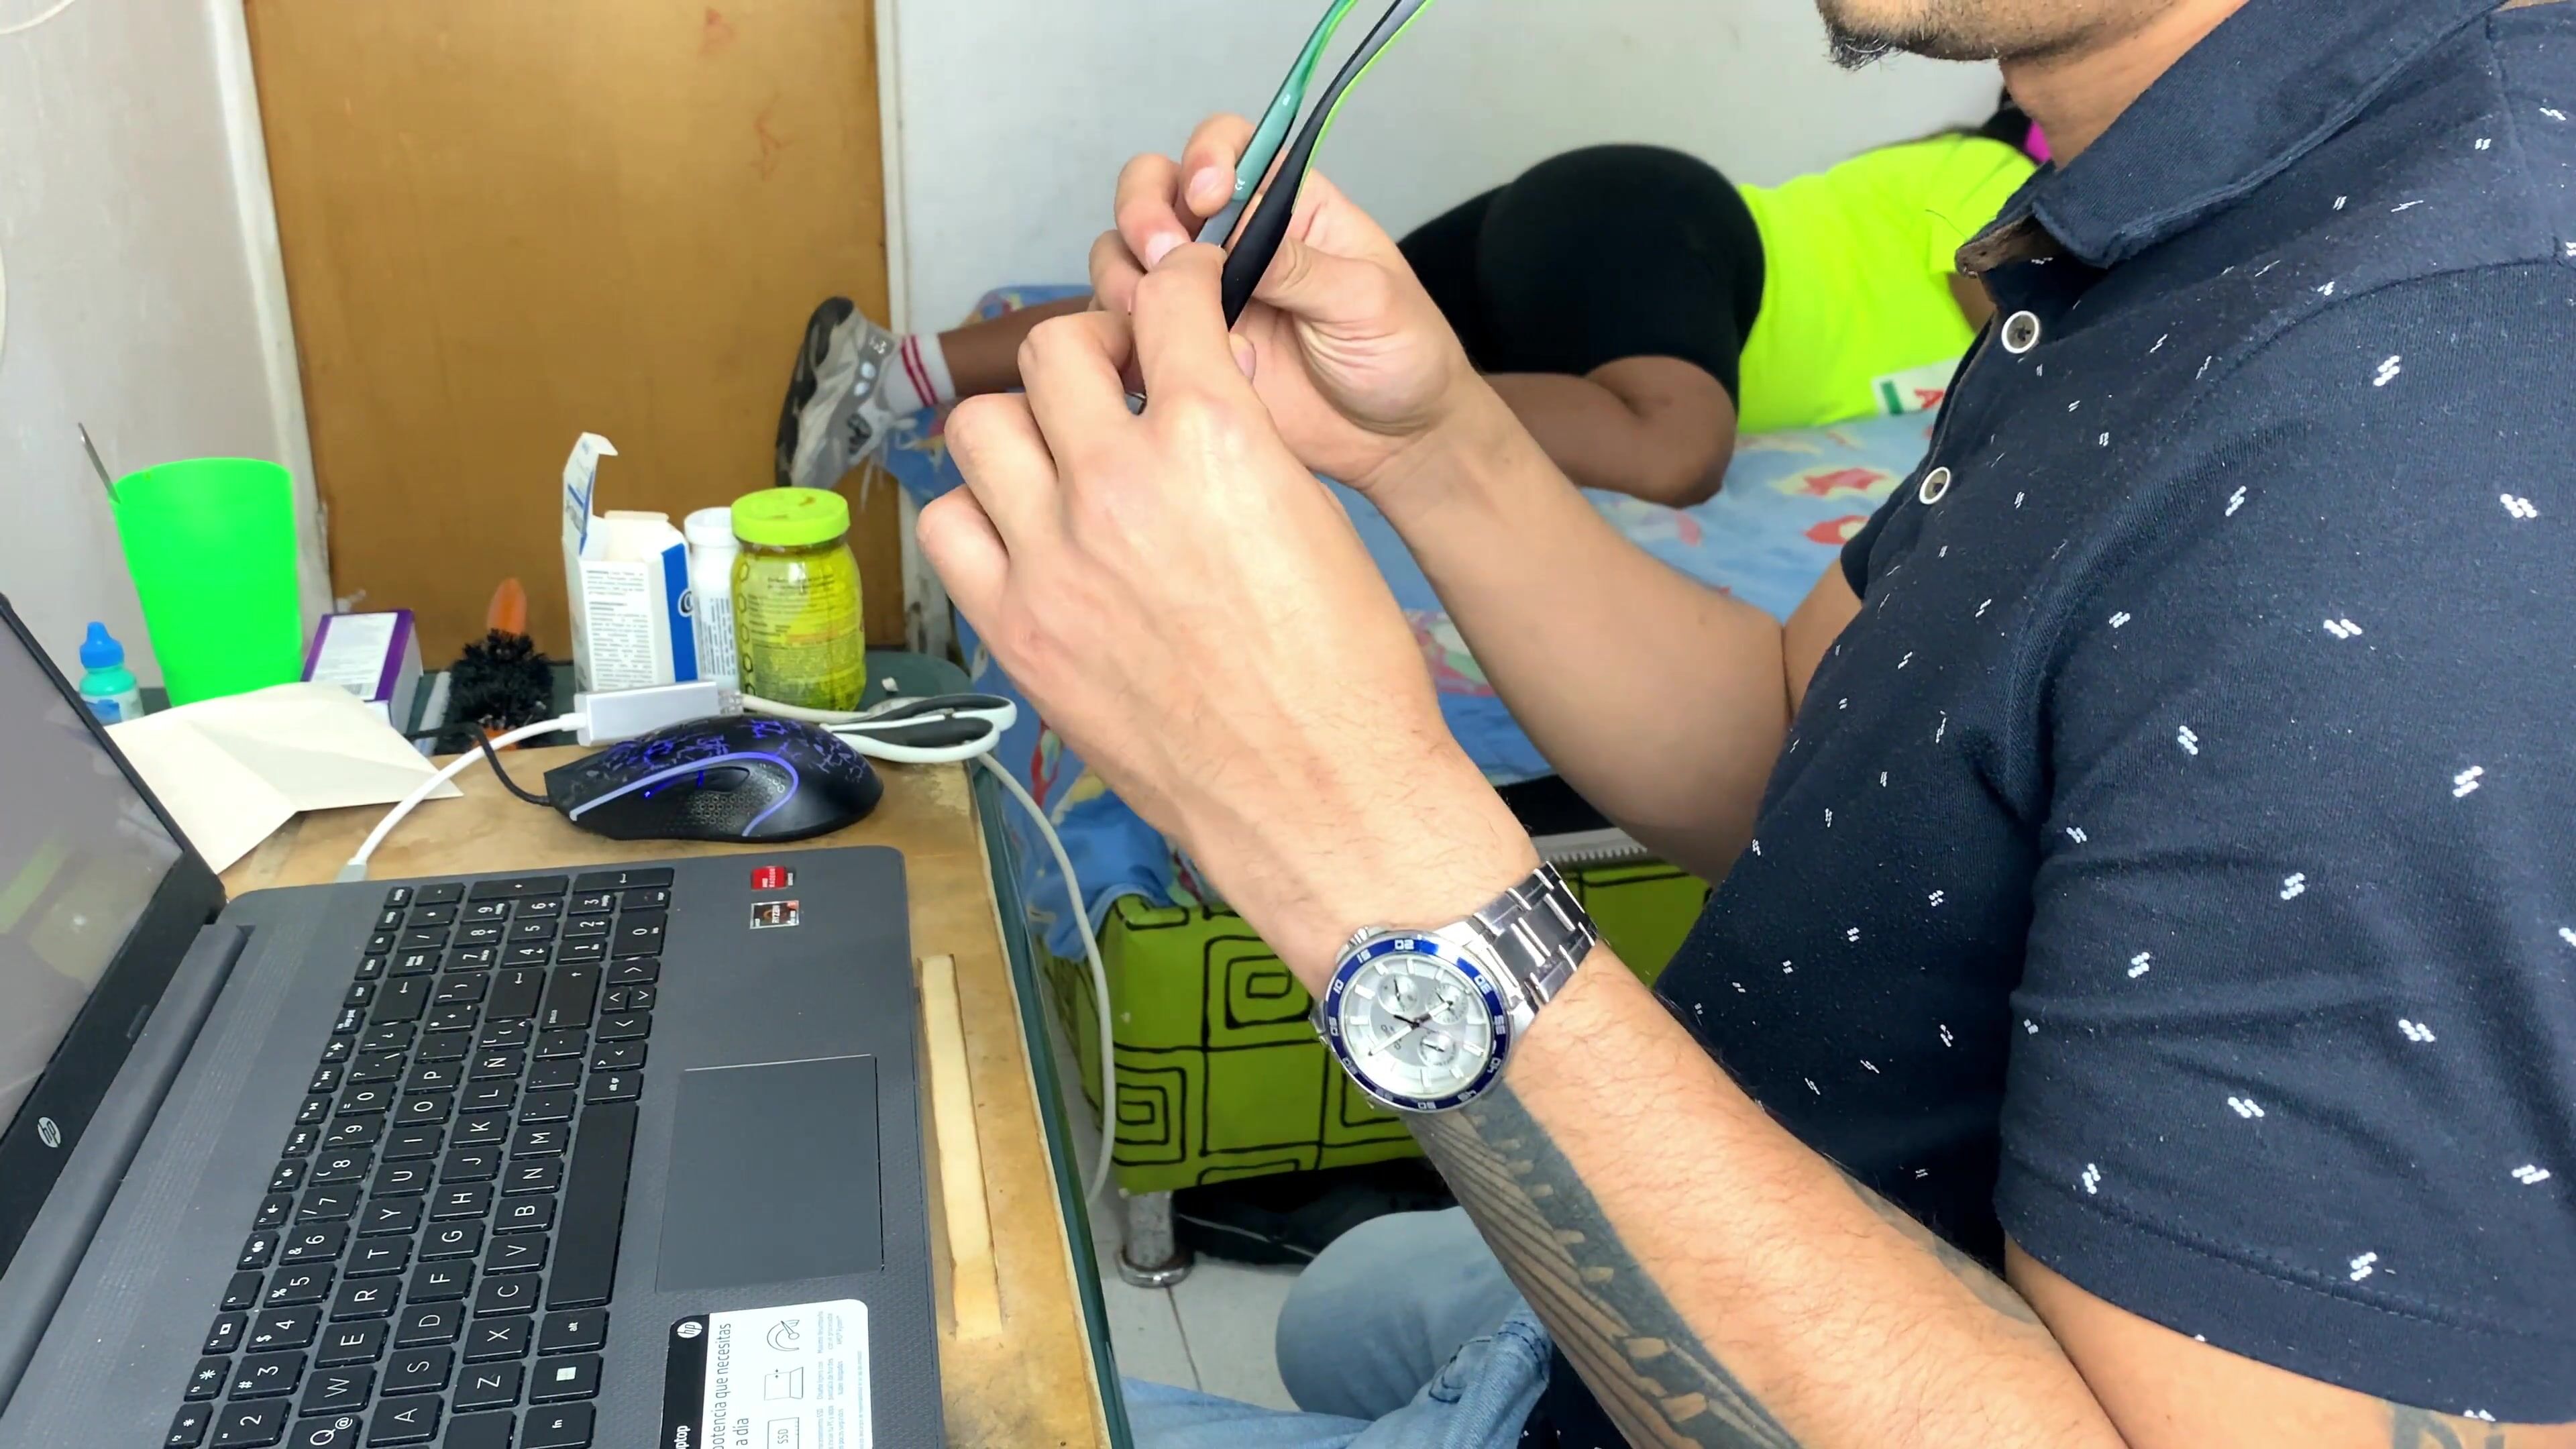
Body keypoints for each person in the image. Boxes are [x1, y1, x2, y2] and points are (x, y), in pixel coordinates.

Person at [914, 0, 2576, 1444]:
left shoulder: (2418, 404)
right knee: (1349, 1301)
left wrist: (1336, 820)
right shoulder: (2195, 209)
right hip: (1770, 1265)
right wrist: (1432, 445)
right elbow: (1807, 745)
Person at [775, 109, 2040, 506]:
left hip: (1581, 262)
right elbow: (2038, 317)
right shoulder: (2004, 184)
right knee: (1674, 447)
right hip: (1664, 230)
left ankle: (898, 370)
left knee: (1253, 323)